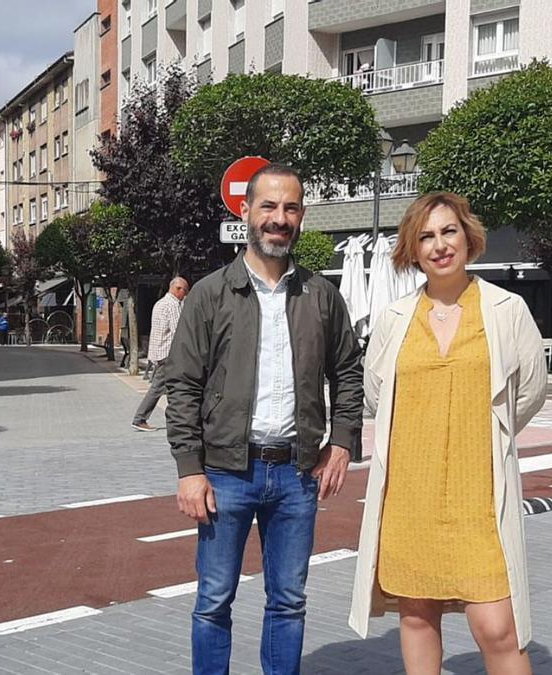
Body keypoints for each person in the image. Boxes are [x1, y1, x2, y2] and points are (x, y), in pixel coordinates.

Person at [165, 164, 364, 675]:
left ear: (301, 216)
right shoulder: (211, 294)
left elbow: (347, 370)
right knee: (213, 601)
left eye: (291, 208)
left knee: (289, 601)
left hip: (297, 476)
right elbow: (183, 385)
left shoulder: (320, 295)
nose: (280, 218)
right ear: (247, 211)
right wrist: (190, 469)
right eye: (269, 207)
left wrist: (342, 441)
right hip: (226, 474)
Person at [348, 192, 547, 675]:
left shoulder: (506, 309)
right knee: (416, 617)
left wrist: (477, 436)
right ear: (412, 251)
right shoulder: (394, 318)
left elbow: (530, 391)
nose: (439, 245)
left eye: (448, 231)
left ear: (468, 236)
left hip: (478, 494)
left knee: (499, 627)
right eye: (426, 236)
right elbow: (376, 394)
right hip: (408, 496)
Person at [131, 276, 189, 432]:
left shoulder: (160, 303)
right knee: (158, 388)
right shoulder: (173, 305)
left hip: (158, 352)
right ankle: (140, 418)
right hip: (168, 354)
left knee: (173, 388)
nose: (186, 294)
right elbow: (179, 331)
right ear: (178, 289)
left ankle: (177, 420)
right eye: (185, 291)